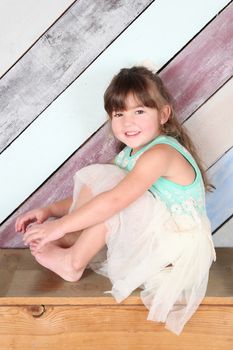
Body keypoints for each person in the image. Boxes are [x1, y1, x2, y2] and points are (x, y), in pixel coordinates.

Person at [15, 66, 216, 335]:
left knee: (116, 197)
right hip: (155, 238)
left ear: (164, 114)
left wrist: (58, 227)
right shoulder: (131, 154)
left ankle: (73, 261)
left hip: (175, 250)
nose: (127, 122)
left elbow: (115, 200)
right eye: (119, 113)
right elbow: (98, 187)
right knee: (105, 177)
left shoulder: (161, 154)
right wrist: (50, 210)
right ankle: (74, 238)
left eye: (140, 111)